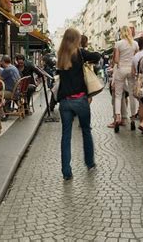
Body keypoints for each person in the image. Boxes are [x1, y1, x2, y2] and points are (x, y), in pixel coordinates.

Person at [56, 28, 101, 181]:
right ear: (77, 39)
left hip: (64, 102)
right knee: (86, 131)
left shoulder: (61, 55)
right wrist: (84, 49)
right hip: (80, 100)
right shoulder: (80, 53)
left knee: (66, 136)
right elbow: (98, 56)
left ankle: (66, 171)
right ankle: (89, 163)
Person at [112, 26, 139, 132]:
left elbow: (116, 60)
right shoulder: (135, 43)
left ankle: (118, 117)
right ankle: (132, 118)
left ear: (121, 33)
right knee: (132, 95)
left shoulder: (118, 44)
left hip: (121, 69)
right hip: (131, 69)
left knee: (118, 95)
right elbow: (136, 58)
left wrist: (119, 65)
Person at [132, 37, 143, 133]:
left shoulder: (136, 56)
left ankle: (142, 123)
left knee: (141, 105)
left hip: (140, 82)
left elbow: (133, 71)